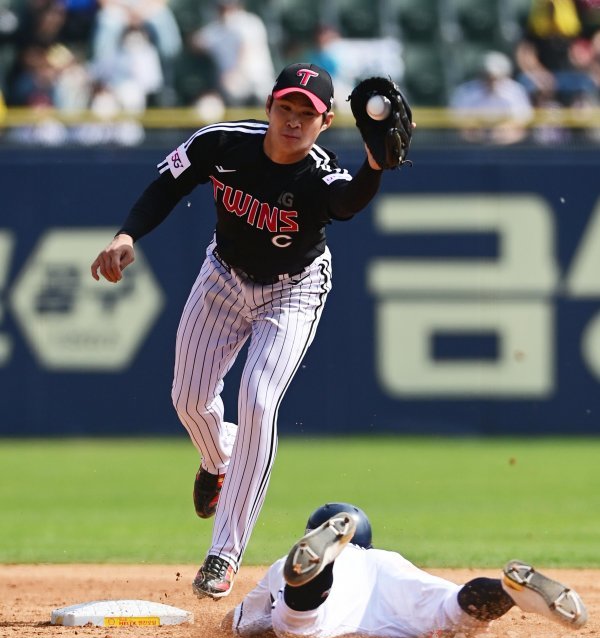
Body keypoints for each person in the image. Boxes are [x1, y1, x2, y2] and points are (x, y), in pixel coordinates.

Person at [90, 63, 402, 600]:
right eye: (286, 107)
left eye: (307, 113)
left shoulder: (320, 172)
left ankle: (224, 553)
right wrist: (127, 235)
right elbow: (167, 185)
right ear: (269, 106)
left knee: (257, 401)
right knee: (189, 400)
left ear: (325, 123)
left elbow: (347, 202)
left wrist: (374, 167)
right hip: (223, 276)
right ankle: (219, 459)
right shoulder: (222, 143)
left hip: (293, 290)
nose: (294, 120)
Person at [228, 504, 588, 638]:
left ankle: (321, 572)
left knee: (297, 622)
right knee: (455, 609)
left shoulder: (284, 564)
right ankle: (506, 590)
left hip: (329, 613)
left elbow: (240, 624)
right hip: (393, 597)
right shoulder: (387, 560)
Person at [187, 0, 275, 107]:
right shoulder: (216, 29)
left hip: (258, 84)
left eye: (228, 7)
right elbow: (195, 42)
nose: (225, 10)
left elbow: (245, 49)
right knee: (207, 105)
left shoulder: (250, 22)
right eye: (221, 7)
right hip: (228, 88)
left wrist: (234, 75)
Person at [449, 51, 534, 145]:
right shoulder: (465, 91)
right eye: (487, 76)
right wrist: (477, 129)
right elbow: (458, 123)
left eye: (495, 77)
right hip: (471, 144)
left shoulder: (516, 91)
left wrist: (502, 129)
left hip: (509, 144)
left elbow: (522, 122)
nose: (491, 81)